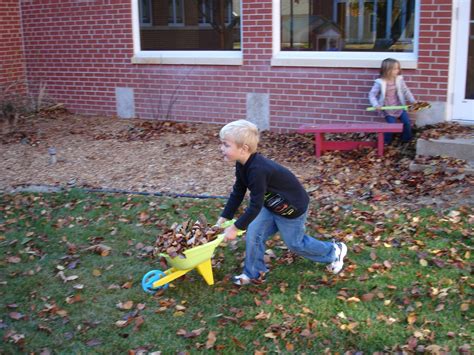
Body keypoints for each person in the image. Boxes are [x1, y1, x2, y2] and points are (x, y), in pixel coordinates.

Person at [215, 119, 347, 286]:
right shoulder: (242, 164)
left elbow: (254, 206)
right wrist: (225, 217)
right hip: (271, 204)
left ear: (244, 149)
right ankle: (253, 273)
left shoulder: (257, 170)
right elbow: (238, 192)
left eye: (226, 145)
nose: (222, 148)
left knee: (295, 244)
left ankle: (334, 251)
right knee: (255, 234)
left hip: (291, 208)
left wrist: (235, 228)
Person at [369, 58, 416, 144]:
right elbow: (372, 95)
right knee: (391, 126)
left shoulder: (399, 80)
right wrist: (376, 105)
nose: (397, 71)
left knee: (407, 123)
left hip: (399, 106)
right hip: (388, 108)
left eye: (398, 68)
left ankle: (406, 140)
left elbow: (406, 91)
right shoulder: (380, 82)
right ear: (387, 70)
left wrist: (412, 100)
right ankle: (386, 142)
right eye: (395, 69)